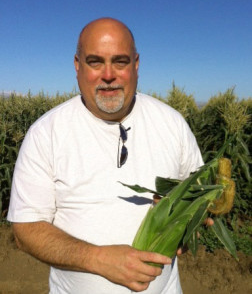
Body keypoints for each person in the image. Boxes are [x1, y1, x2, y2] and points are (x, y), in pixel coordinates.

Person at [7, 18, 204, 294]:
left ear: (136, 65)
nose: (108, 75)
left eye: (120, 62)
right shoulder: (46, 133)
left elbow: (201, 195)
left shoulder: (172, 124)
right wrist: (98, 259)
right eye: (95, 62)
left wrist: (191, 215)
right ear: (77, 66)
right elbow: (26, 230)